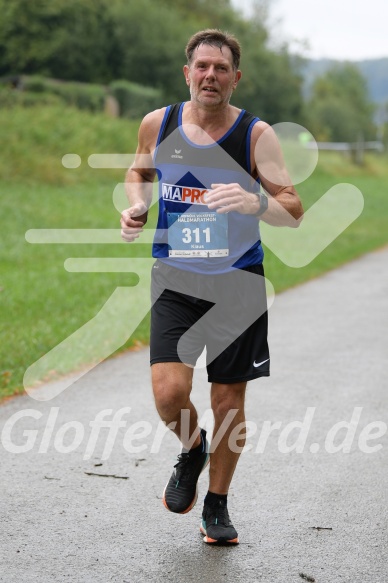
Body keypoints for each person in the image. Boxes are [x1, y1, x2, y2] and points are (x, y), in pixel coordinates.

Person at [121, 29, 304, 545]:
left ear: (235, 78)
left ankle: (217, 504)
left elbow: (292, 209)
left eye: (221, 69)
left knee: (228, 401)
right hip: (175, 280)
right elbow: (139, 171)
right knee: (169, 394)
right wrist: (138, 204)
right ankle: (192, 448)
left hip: (238, 284)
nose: (210, 76)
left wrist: (254, 203)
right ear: (187, 73)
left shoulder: (254, 134)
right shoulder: (159, 123)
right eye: (202, 67)